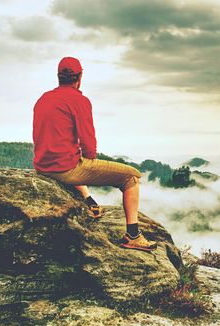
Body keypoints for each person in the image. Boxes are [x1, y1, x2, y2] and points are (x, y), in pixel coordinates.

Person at [32, 56, 157, 251]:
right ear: (79, 78)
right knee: (131, 177)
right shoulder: (79, 100)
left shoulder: (43, 99)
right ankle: (133, 235)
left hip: (42, 166)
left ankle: (89, 201)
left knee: (74, 158)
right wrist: (91, 162)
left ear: (58, 77)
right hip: (64, 168)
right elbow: (88, 144)